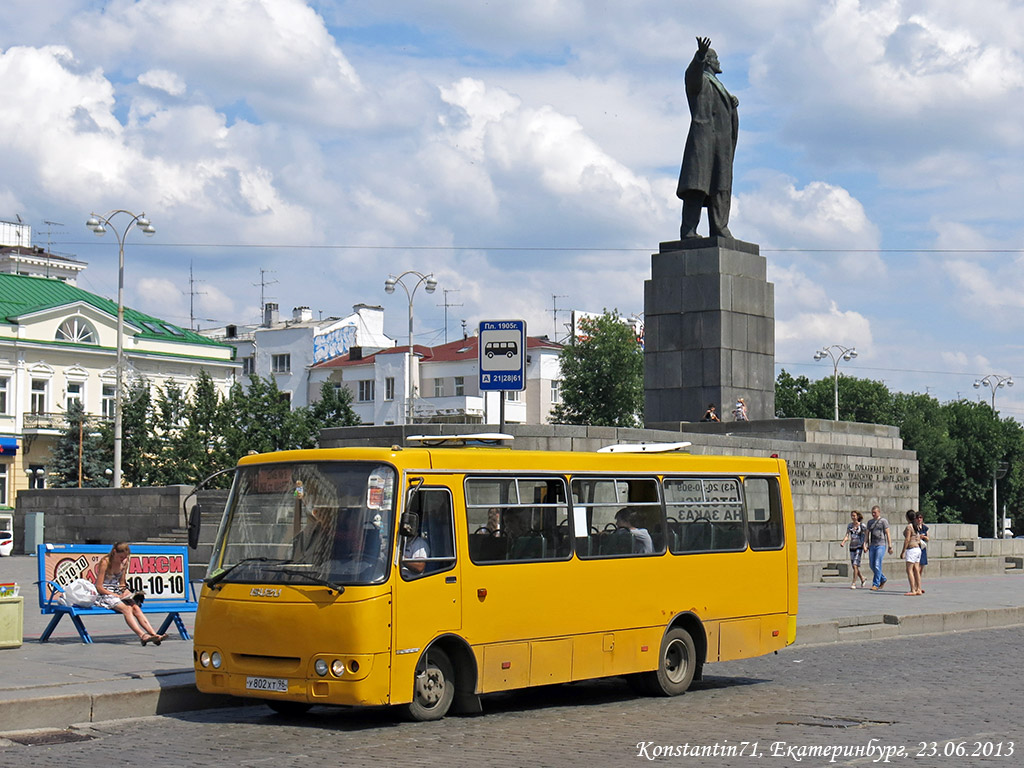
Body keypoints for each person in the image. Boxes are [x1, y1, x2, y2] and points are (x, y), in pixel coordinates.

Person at [677, 36, 739, 239]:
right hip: (703, 142)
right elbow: (691, 76)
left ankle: (720, 228)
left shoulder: (719, 86)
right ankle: (689, 230)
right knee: (697, 187)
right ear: (709, 62)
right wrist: (699, 56)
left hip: (721, 145)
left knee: (720, 187)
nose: (718, 61)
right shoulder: (700, 80)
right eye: (716, 58)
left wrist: (731, 104)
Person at [93, 542, 166, 646]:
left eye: (125, 557)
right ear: (114, 552)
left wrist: (126, 592)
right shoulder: (106, 562)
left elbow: (122, 583)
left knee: (135, 607)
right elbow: (99, 587)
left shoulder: (125, 562)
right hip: (105, 593)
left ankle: (154, 634)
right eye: (121, 557)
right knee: (126, 609)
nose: (123, 559)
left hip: (116, 591)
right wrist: (116, 596)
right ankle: (142, 635)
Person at [865, 505, 893, 590]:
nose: (873, 514)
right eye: (872, 513)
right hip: (872, 545)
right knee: (872, 565)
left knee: (877, 564)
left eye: (875, 513)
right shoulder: (870, 522)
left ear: (879, 512)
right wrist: (865, 544)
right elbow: (867, 534)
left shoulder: (883, 521)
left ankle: (875, 584)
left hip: (881, 545)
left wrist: (890, 546)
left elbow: (888, 533)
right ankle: (883, 578)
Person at [839, 510, 868, 588]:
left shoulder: (862, 526)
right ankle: (862, 578)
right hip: (852, 546)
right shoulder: (850, 526)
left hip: (859, 546)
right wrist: (843, 542)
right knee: (854, 566)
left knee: (855, 565)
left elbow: (866, 536)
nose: (853, 517)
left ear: (857, 516)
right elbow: (847, 535)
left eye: (854, 516)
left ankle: (854, 583)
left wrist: (865, 545)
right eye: (852, 516)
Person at [900, 510, 923, 596]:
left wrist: (903, 551)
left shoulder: (909, 527)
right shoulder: (916, 526)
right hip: (917, 549)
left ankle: (913, 589)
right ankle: (919, 588)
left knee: (909, 570)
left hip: (911, 549)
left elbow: (907, 539)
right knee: (916, 570)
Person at [914, 511, 929, 591]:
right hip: (916, 548)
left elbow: (928, 538)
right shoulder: (914, 527)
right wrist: (918, 537)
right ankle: (916, 587)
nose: (919, 519)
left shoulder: (924, 527)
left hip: (922, 549)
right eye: (917, 518)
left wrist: (923, 537)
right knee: (917, 569)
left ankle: (918, 586)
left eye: (920, 518)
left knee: (920, 570)